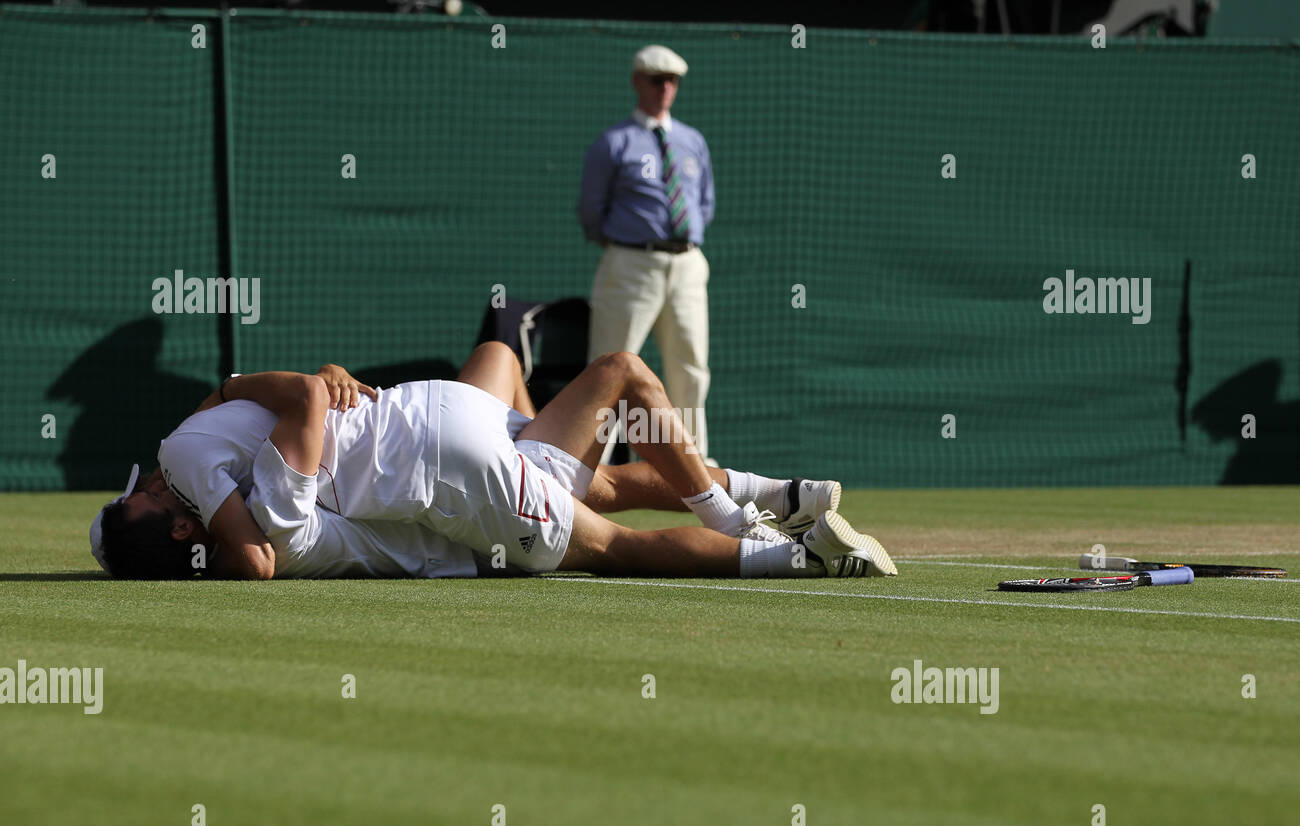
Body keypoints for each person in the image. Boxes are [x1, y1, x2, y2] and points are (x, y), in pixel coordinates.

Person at [93, 348, 893, 581]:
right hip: (439, 435)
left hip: (448, 459)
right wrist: (249, 384)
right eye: (147, 499)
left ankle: (784, 536)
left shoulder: (220, 480)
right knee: (615, 417)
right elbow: (255, 553)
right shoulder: (221, 480)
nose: (153, 483)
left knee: (615, 531)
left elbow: (254, 557)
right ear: (165, 524)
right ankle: (779, 512)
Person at [578, 44, 716, 464]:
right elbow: (591, 211)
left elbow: (704, 204)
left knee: (691, 363)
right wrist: (627, 244)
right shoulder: (614, 142)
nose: (665, 88)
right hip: (631, 262)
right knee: (610, 363)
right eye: (657, 80)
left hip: (688, 264)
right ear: (638, 81)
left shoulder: (692, 140)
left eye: (672, 81)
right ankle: (590, 463)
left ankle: (694, 465)